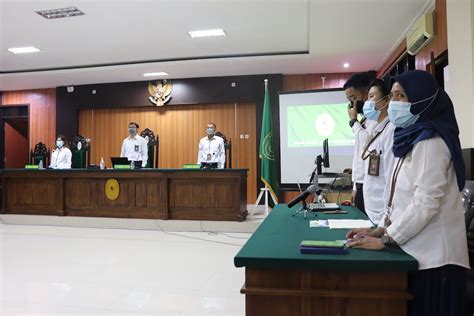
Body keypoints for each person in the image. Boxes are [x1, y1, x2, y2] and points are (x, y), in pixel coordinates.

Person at [346, 70, 469, 316]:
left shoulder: (430, 141)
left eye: (401, 96)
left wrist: (387, 238)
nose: (394, 104)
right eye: (392, 96)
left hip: (437, 260)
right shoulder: (411, 138)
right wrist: (380, 228)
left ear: (422, 99)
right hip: (417, 252)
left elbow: (425, 203)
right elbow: (396, 197)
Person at [360, 79, 396, 225]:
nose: (367, 102)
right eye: (367, 97)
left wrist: (386, 218)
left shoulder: (391, 130)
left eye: (371, 97)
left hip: (383, 214)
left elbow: (392, 177)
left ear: (386, 100)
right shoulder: (376, 129)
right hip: (373, 210)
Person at [344, 72, 376, 213]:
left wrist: (353, 121)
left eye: (353, 98)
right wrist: (355, 187)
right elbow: (360, 156)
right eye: (349, 99)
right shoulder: (366, 119)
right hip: (360, 182)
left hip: (369, 183)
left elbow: (367, 143)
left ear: (365, 93)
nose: (352, 103)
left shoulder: (375, 118)